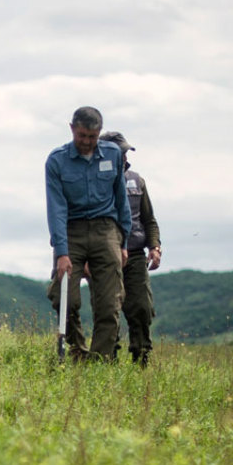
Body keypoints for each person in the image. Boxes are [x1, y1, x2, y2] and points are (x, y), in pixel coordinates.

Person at [45, 107, 132, 361]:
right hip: (71, 231)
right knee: (64, 298)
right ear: (72, 129)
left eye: (92, 137)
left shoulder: (114, 154)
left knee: (109, 303)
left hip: (107, 231)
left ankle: (100, 360)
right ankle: (78, 351)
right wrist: (62, 252)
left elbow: (121, 199)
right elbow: (56, 209)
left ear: (99, 133)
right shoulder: (56, 161)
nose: (86, 142)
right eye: (82, 135)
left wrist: (123, 242)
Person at [101, 131, 162, 367]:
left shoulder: (138, 181)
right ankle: (108, 362)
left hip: (136, 255)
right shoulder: (98, 182)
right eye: (120, 152)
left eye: (126, 152)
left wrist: (155, 246)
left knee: (141, 308)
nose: (125, 156)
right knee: (109, 310)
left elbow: (149, 220)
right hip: (106, 255)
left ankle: (141, 361)